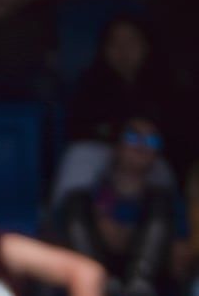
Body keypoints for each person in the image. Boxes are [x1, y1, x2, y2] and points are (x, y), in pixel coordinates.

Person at [53, 115, 179, 296]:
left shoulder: (160, 199)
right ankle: (96, 282)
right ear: (117, 146)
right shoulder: (91, 192)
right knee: (75, 206)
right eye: (133, 137)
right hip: (96, 270)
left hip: (146, 283)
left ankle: (141, 281)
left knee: (161, 207)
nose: (141, 146)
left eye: (151, 141)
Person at [55, 16, 174, 202]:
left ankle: (159, 228)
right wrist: (121, 139)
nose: (123, 49)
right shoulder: (91, 83)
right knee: (79, 155)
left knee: (162, 172)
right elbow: (78, 129)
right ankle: (66, 224)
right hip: (105, 153)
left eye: (131, 41)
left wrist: (143, 144)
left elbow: (178, 137)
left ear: (147, 45)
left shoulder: (168, 83)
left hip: (150, 155)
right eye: (115, 42)